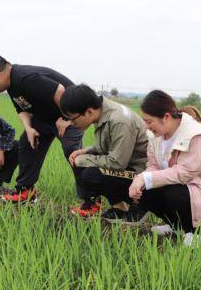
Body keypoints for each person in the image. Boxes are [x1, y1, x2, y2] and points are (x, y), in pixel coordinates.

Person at [128, 90, 201, 246]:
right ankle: (174, 226)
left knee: (173, 192)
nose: (146, 127)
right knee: (145, 191)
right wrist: (140, 181)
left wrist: (144, 178)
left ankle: (193, 234)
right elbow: (153, 165)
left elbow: (185, 173)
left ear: (166, 117)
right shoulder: (156, 137)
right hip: (187, 190)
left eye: (149, 122)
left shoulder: (195, 135)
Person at [0, 53, 90, 207]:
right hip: (46, 118)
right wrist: (29, 128)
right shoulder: (11, 85)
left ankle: (92, 200)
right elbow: (21, 109)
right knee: (27, 142)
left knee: (73, 152)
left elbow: (60, 91)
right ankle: (25, 192)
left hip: (72, 114)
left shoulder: (25, 78)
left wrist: (66, 118)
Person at [61, 84, 149, 221]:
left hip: (142, 172)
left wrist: (84, 159)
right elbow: (109, 144)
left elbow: (117, 162)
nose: (71, 123)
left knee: (90, 174)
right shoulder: (102, 111)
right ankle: (119, 207)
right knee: (80, 162)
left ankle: (141, 203)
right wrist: (86, 150)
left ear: (89, 111)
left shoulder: (119, 121)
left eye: (73, 118)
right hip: (127, 164)